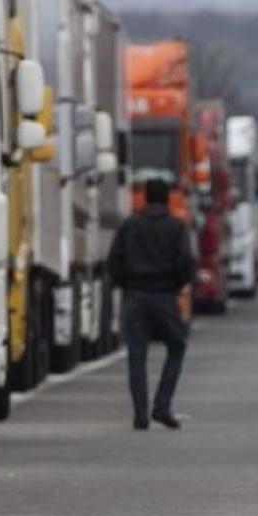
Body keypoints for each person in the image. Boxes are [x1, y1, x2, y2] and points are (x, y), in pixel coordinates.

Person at [107, 178, 196, 430]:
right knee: (176, 347)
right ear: (168, 198)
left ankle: (140, 414)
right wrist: (178, 285)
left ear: (145, 198)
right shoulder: (176, 227)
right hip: (165, 295)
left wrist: (124, 284)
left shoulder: (129, 225)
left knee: (137, 355)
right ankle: (162, 405)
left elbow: (114, 260)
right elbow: (185, 262)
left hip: (135, 295)